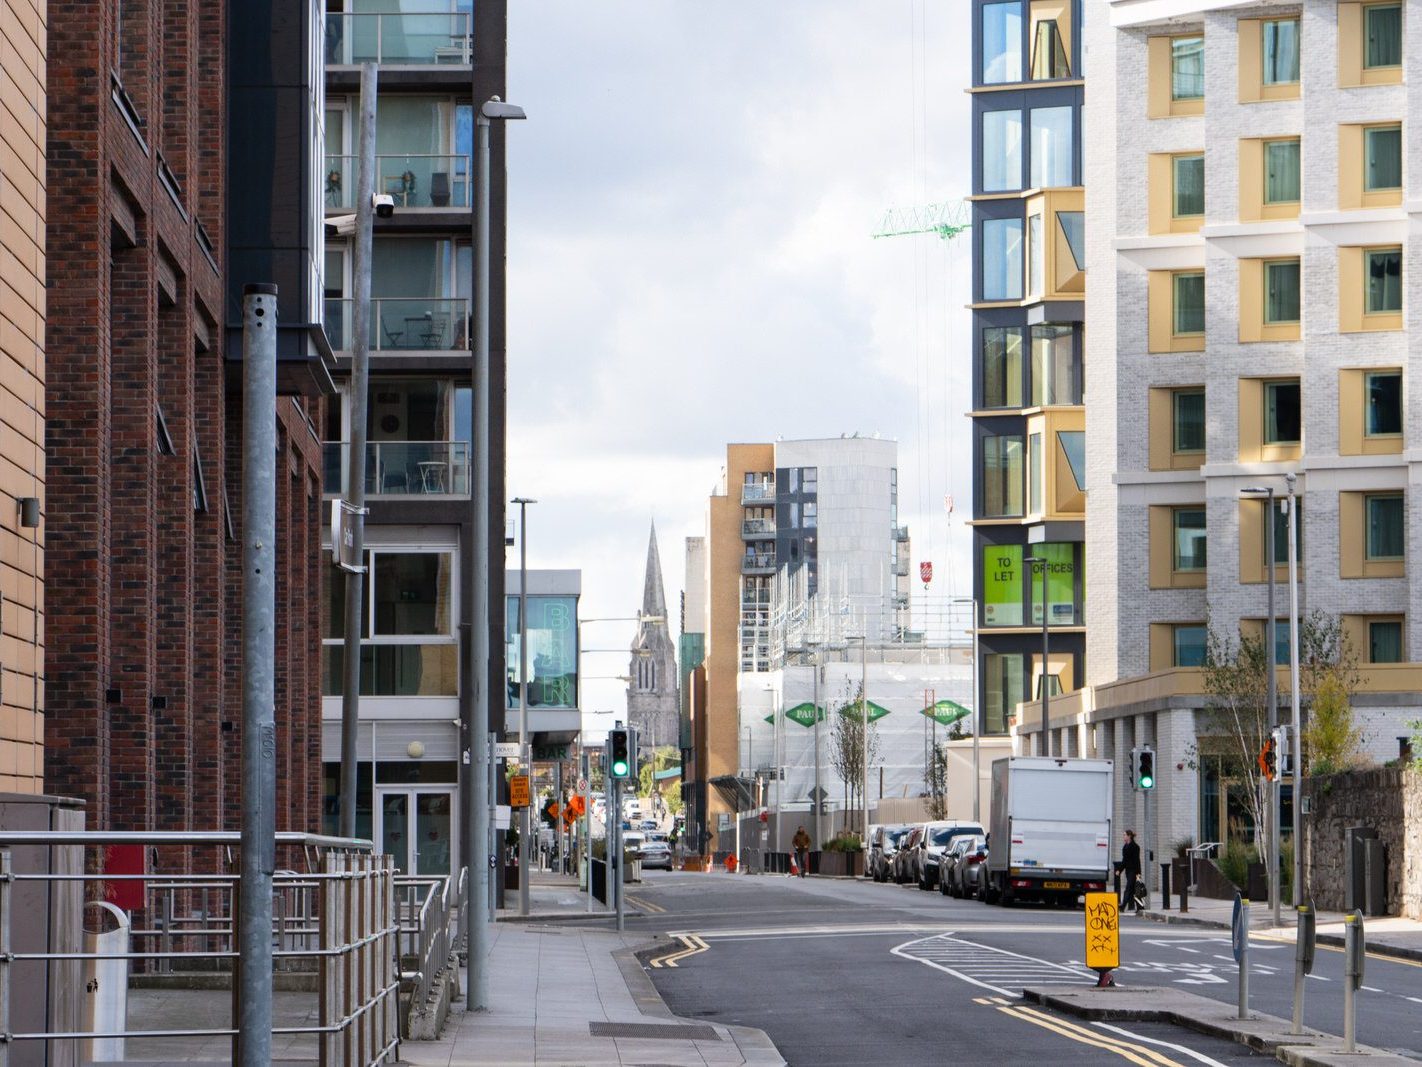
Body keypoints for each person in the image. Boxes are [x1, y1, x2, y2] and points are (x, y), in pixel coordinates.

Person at [1120, 829, 1142, 912]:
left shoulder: (1135, 847)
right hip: (1128, 871)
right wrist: (1120, 870)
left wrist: (1138, 874)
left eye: (1125, 835)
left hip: (1134, 871)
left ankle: (1123, 906)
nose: (1124, 836)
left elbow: (1136, 861)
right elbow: (1124, 860)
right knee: (1134, 889)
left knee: (1129, 888)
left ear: (1129, 836)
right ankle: (1140, 907)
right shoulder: (1125, 847)